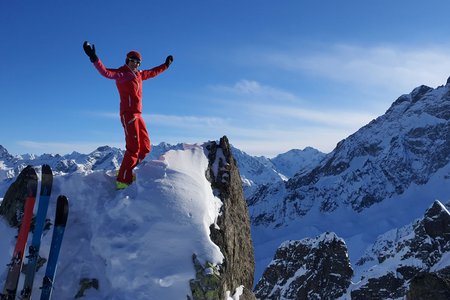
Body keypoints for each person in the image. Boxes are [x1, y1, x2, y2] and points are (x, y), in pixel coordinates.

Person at [83, 41, 173, 190]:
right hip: (128, 114)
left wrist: (166, 65)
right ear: (127, 61)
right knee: (133, 148)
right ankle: (123, 181)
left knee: (145, 147)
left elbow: (153, 72)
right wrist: (94, 57)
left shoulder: (139, 75)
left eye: (138, 62)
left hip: (138, 115)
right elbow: (105, 72)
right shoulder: (122, 74)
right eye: (132, 61)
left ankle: (127, 170)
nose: (135, 64)